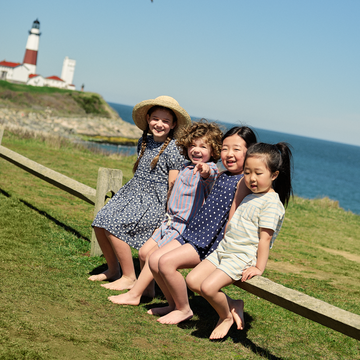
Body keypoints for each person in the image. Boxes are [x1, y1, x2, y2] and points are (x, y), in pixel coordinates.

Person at [147, 126, 257, 325]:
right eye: (225, 148)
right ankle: (174, 304)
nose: (229, 154)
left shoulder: (245, 181)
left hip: (209, 242)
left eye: (236, 149)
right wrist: (205, 171)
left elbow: (209, 173)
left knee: (166, 263)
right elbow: (210, 175)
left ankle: (184, 309)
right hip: (193, 232)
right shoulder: (223, 175)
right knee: (154, 259)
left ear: (250, 152)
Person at [108, 120, 223, 305]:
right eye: (192, 145)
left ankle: (134, 294)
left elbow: (209, 178)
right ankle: (149, 291)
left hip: (183, 227)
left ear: (213, 151)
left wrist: (205, 170)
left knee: (155, 257)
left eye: (203, 146)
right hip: (168, 222)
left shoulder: (210, 170)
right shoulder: (186, 167)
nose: (196, 150)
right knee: (144, 253)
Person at [186, 142, 293, 339]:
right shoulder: (252, 195)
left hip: (240, 257)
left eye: (258, 173)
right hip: (224, 250)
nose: (251, 178)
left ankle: (225, 316)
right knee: (192, 281)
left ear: (274, 175)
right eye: (247, 172)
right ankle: (234, 304)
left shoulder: (271, 204)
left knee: (208, 287)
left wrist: (259, 267)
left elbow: (264, 239)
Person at [88, 96, 191, 291]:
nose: (159, 124)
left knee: (113, 225)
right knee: (100, 221)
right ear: (148, 118)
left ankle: (129, 276)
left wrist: (169, 214)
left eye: (165, 121)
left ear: (173, 124)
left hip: (155, 201)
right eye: (155, 119)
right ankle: (113, 270)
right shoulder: (143, 141)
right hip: (133, 192)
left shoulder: (174, 149)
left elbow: (173, 184)